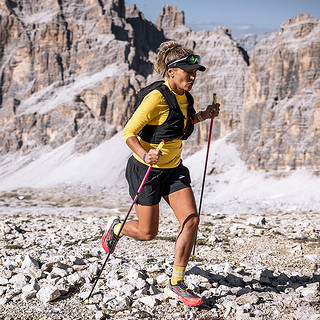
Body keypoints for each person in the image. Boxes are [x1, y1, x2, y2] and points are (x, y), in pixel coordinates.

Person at [101, 41, 220, 306]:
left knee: (191, 220)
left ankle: (176, 283)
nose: (192, 77)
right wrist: (145, 154)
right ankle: (117, 228)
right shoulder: (155, 97)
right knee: (147, 233)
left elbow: (182, 123)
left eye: (196, 72)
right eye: (187, 71)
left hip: (173, 168)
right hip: (147, 169)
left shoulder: (186, 97)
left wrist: (203, 115)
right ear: (171, 72)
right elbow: (128, 133)